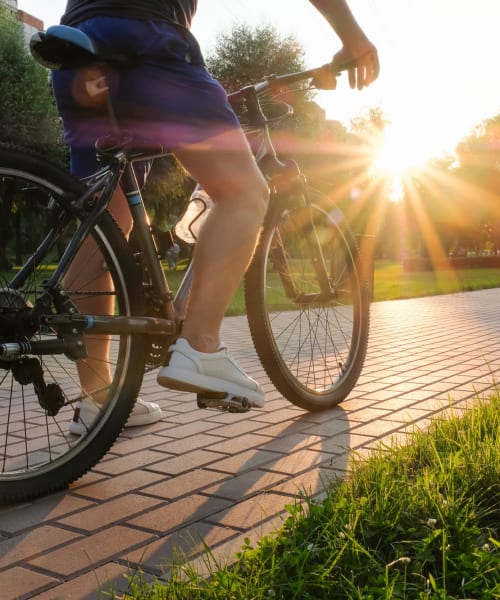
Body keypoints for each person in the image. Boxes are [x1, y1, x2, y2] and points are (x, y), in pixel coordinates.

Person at [51, 0, 379, 431]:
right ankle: (201, 345)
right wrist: (352, 36)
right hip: (145, 38)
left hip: (77, 48)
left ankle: (97, 398)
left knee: (105, 227)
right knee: (244, 192)